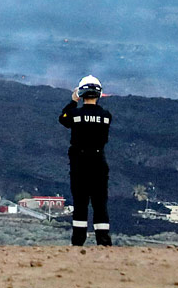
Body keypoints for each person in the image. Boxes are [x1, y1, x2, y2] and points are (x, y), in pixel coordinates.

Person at [58, 74, 112, 246]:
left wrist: (73, 101)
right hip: (98, 161)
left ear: (81, 93)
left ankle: (78, 240)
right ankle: (103, 240)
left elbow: (63, 119)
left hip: (79, 163)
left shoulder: (74, 114)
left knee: (80, 202)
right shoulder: (106, 116)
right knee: (99, 202)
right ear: (99, 94)